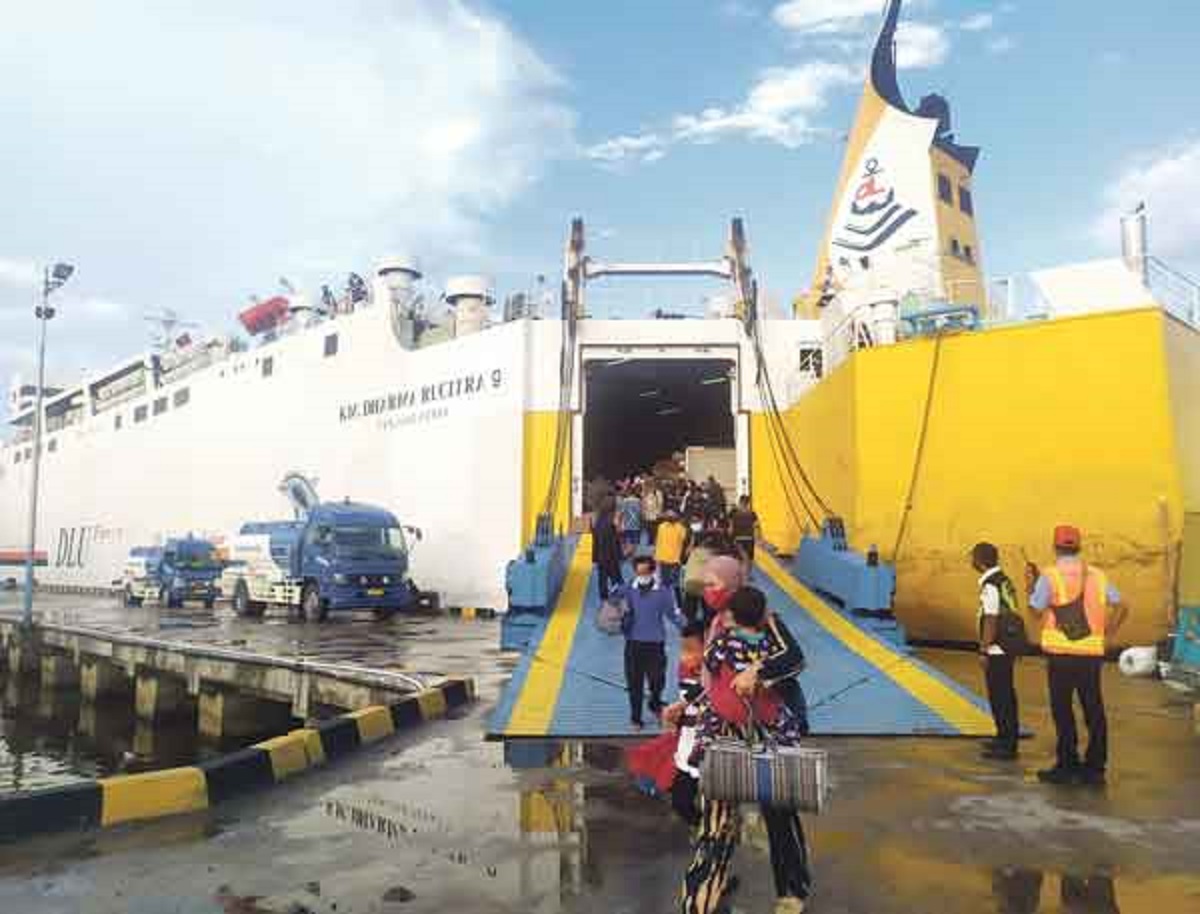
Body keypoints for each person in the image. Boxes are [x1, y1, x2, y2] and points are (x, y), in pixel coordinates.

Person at [682, 586, 811, 914]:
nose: (708, 586)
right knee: (721, 815)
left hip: (755, 736)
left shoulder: (767, 628)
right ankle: (712, 886)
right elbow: (713, 684)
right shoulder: (736, 633)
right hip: (749, 733)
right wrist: (685, 701)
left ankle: (792, 891)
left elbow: (795, 658)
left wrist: (756, 672)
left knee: (777, 811)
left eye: (714, 581)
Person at [1026, 524, 1129, 786]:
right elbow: (1122, 606)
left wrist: (1030, 587)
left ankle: (1067, 765)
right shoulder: (1097, 575)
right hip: (1090, 655)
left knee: (1062, 710)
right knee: (1093, 709)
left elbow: (1036, 612)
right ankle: (1095, 768)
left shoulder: (1049, 576)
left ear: (1056, 546)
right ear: (1079, 546)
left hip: (1060, 655)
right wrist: (1107, 633)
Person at [616, 555, 684, 729]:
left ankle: (654, 701)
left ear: (653, 571)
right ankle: (635, 717)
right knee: (634, 683)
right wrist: (617, 615)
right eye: (639, 572)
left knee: (657, 680)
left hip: (656, 643)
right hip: (633, 644)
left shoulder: (663, 592)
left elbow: (673, 615)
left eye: (646, 572)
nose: (642, 576)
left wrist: (690, 631)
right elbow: (610, 609)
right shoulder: (627, 590)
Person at [971, 541, 1022, 760]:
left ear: (980, 561)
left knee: (1000, 696)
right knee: (1006, 694)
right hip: (1008, 644)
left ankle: (1006, 744)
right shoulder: (1004, 580)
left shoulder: (990, 584)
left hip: (997, 648)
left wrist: (983, 650)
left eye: (973, 558)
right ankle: (1005, 738)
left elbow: (991, 619)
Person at [591, 496, 624, 602]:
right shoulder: (613, 521)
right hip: (612, 554)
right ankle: (618, 596)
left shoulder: (598, 521)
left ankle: (604, 597)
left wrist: (595, 557)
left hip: (601, 555)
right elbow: (618, 536)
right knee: (616, 577)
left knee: (602, 578)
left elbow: (595, 540)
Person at [655, 510, 690, 600]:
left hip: (668, 558)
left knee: (668, 582)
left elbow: (658, 542)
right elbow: (659, 541)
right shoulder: (680, 528)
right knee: (674, 583)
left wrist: (657, 556)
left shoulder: (662, 527)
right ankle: (678, 603)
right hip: (673, 559)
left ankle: (668, 601)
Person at [730, 495, 760, 569]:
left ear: (740, 502)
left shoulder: (734, 513)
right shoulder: (752, 513)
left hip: (738, 538)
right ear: (748, 503)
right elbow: (756, 526)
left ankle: (740, 574)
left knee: (739, 558)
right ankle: (747, 574)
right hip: (749, 539)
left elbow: (730, 527)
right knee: (749, 559)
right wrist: (757, 538)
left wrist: (731, 538)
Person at [618, 485, 644, 555]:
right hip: (636, 525)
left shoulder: (625, 501)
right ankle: (632, 554)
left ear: (628, 493)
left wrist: (619, 524)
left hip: (626, 525)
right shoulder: (638, 501)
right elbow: (641, 514)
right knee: (634, 542)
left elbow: (621, 513)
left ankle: (626, 552)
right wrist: (641, 524)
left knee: (626, 541)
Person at [642, 480, 664, 547]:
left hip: (655, 516)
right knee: (649, 531)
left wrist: (658, 512)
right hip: (648, 516)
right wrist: (643, 512)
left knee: (654, 531)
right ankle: (651, 542)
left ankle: (654, 543)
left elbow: (660, 504)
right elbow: (644, 504)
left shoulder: (658, 493)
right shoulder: (645, 493)